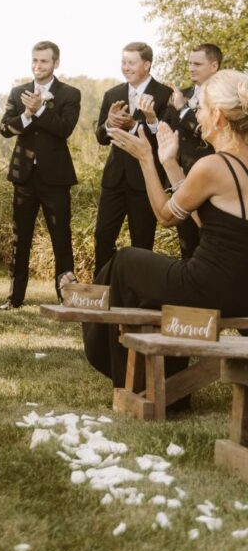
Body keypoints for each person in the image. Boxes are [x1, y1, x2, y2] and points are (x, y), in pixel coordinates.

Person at [82, 69, 248, 387]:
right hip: (243, 290)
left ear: (219, 117)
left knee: (125, 261)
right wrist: (170, 163)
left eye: (201, 108)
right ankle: (168, 385)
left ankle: (119, 369)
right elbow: (203, 220)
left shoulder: (213, 166)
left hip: (208, 286)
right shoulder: (232, 165)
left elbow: (165, 215)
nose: (196, 114)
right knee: (148, 295)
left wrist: (147, 159)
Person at [0, 41, 81, 309]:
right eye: (34, 60)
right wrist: (27, 114)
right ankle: (14, 298)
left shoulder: (70, 94)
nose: (37, 66)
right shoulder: (18, 91)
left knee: (61, 237)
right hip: (23, 177)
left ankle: (65, 297)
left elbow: (64, 129)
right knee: (20, 237)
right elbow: (5, 129)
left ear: (55, 63)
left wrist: (41, 110)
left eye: (43, 61)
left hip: (55, 178)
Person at [93, 42, 173, 275]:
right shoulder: (113, 94)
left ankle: (138, 297)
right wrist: (109, 124)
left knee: (142, 242)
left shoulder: (164, 94)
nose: (125, 67)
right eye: (123, 62)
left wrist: (136, 125)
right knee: (102, 235)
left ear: (147, 65)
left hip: (145, 181)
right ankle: (102, 291)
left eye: (131, 62)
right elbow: (100, 137)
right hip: (114, 180)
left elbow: (165, 138)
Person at [165, 43, 223, 259]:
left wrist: (183, 109)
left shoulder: (223, 97)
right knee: (187, 246)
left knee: (213, 245)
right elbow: (167, 130)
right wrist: (153, 120)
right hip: (181, 181)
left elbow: (211, 133)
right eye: (190, 63)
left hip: (214, 181)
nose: (191, 68)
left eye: (197, 63)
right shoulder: (182, 94)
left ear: (214, 65)